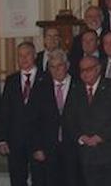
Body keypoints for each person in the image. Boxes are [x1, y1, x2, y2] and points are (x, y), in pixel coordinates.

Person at [64, 56, 111, 186]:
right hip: (86, 155)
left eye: (89, 69)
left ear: (98, 69)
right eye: (82, 70)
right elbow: (69, 119)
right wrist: (81, 137)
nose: (84, 73)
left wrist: (101, 136)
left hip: (110, 152)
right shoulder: (75, 89)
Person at [32, 49, 81, 186]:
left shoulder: (79, 85)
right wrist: (37, 147)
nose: (56, 70)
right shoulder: (41, 87)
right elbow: (35, 120)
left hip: (73, 147)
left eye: (59, 65)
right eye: (52, 67)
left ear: (67, 65)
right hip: (49, 148)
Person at [0, 41, 45, 186]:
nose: (24, 59)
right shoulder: (11, 80)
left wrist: (45, 144)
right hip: (16, 140)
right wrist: (2, 138)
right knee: (17, 179)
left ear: (35, 56)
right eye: (20, 56)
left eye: (27, 55)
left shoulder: (46, 78)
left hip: (39, 141)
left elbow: (50, 115)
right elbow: (4, 111)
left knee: (40, 179)